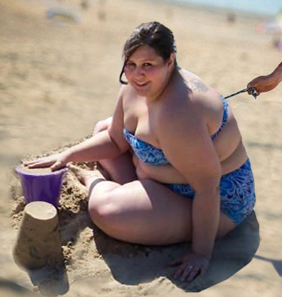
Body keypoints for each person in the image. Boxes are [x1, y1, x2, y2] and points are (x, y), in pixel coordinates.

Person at [25, 22, 255, 282]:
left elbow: (207, 187)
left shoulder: (179, 113)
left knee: (106, 210)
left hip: (214, 201)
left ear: (170, 61)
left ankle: (95, 180)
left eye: (148, 65)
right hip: (168, 176)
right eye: (131, 64)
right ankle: (136, 191)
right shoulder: (133, 87)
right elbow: (115, 140)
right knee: (103, 128)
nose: (137, 74)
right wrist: (67, 155)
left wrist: (201, 254)